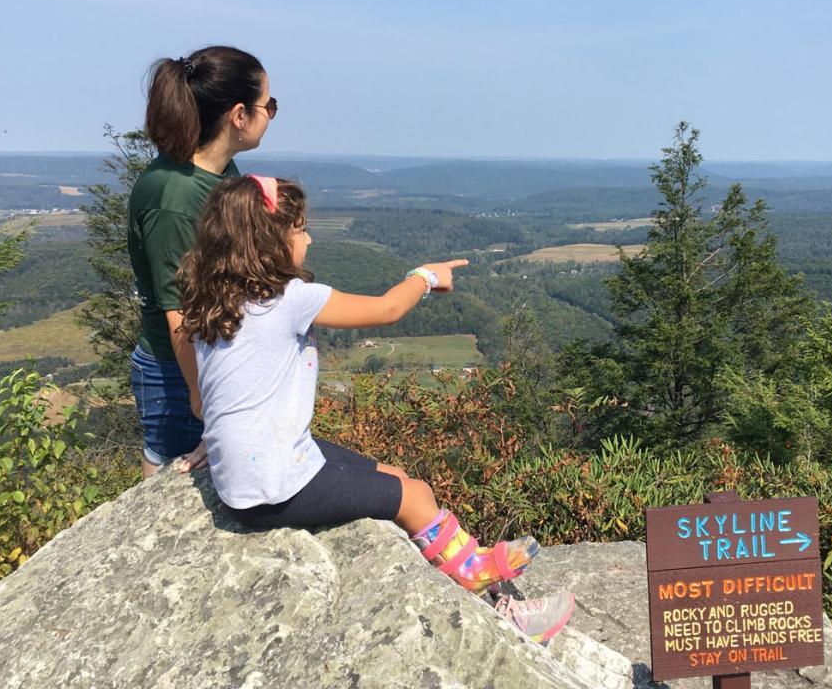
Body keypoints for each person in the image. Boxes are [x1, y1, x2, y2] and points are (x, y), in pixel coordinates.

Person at [174, 174, 575, 644]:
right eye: (300, 229)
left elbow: (213, 397)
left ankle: (464, 567)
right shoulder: (290, 300)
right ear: (269, 243)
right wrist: (425, 276)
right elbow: (387, 309)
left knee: (397, 476)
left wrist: (216, 442)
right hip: (273, 487)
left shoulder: (212, 305)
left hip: (254, 472)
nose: (309, 237)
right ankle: (483, 584)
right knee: (413, 497)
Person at [128, 46, 275, 478]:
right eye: (270, 106)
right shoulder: (174, 198)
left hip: (210, 357)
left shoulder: (219, 174)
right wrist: (204, 397)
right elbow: (179, 315)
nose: (272, 115)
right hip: (179, 371)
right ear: (239, 115)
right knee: (174, 482)